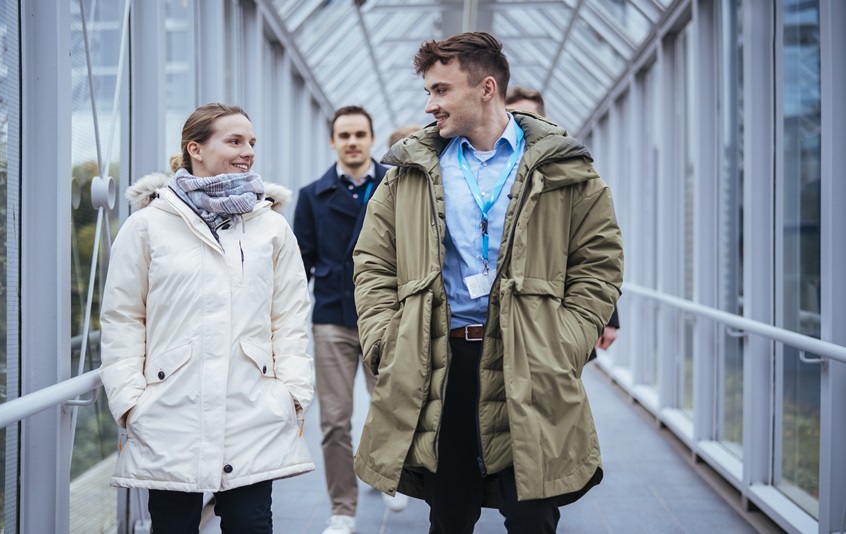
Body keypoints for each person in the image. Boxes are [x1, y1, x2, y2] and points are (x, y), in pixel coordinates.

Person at [351, 32, 623, 533]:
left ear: (486, 88)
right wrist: (385, 338)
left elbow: (599, 260)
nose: (430, 104)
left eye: (440, 90)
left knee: (532, 513)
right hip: (441, 360)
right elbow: (373, 259)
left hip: (532, 357)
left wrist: (568, 340)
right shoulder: (408, 172)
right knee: (449, 515)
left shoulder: (565, 168)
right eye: (428, 91)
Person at [99, 103, 315, 534]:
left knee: (251, 525)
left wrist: (292, 393)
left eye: (251, 142)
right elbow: (123, 317)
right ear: (194, 148)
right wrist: (128, 399)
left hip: (253, 408)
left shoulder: (271, 228)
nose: (247, 151)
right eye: (234, 141)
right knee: (173, 527)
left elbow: (289, 316)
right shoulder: (146, 226)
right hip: (168, 409)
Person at [292, 105, 407, 534]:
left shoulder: (398, 186)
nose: (353, 141)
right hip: (332, 320)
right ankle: (342, 508)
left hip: (386, 319)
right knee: (334, 420)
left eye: (360, 134)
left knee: (391, 408)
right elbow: (299, 264)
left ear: (372, 138)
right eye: (345, 135)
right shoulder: (311, 196)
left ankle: (391, 478)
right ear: (333, 141)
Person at [505, 86, 621, 361]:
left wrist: (605, 317)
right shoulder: (497, 173)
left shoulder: (569, 171)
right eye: (515, 116)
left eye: (530, 116)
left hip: (558, 318)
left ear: (546, 120)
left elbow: (595, 247)